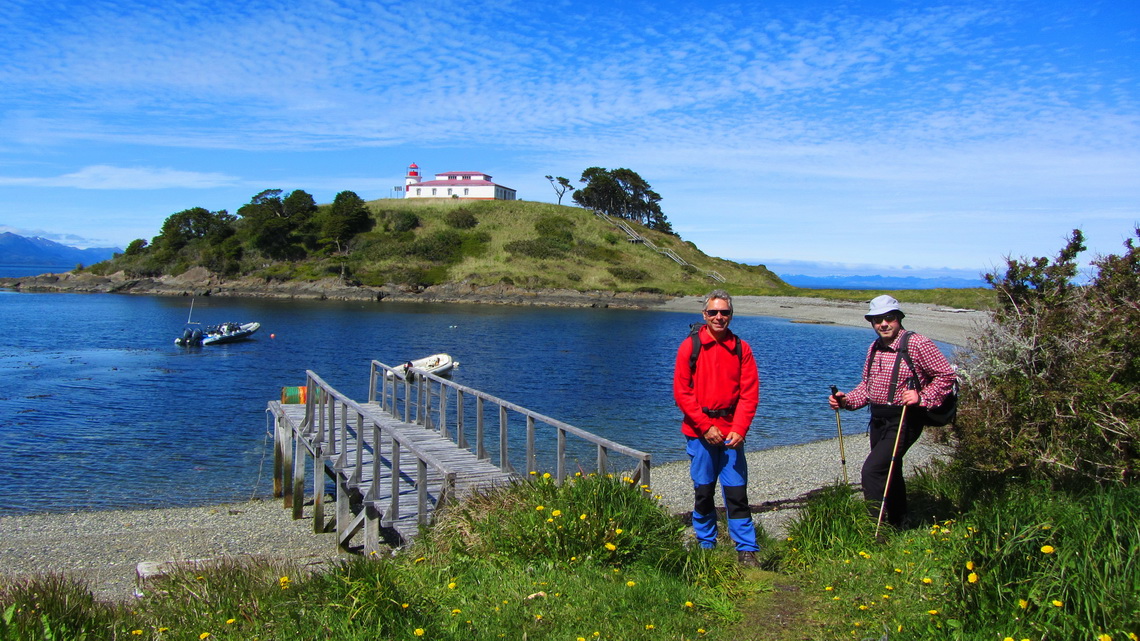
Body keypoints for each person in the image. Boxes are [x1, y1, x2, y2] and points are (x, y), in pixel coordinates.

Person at [829, 295, 956, 528]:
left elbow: (946, 375)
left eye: (889, 318)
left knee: (872, 471)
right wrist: (846, 400)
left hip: (905, 419)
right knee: (891, 472)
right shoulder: (874, 347)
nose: (883, 324)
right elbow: (867, 387)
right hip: (878, 419)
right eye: (877, 320)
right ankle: (900, 523)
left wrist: (922, 397)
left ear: (899, 319)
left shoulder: (918, 344)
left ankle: (875, 527)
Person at [673, 289, 761, 566]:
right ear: (704, 315)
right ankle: (706, 545)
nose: (719, 317)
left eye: (724, 312)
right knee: (704, 490)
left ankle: (746, 548)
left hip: (732, 433)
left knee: (736, 493)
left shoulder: (741, 348)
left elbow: (749, 393)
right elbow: (681, 392)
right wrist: (705, 426)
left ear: (731, 315)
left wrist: (740, 428)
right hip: (700, 434)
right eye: (713, 312)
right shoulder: (691, 346)